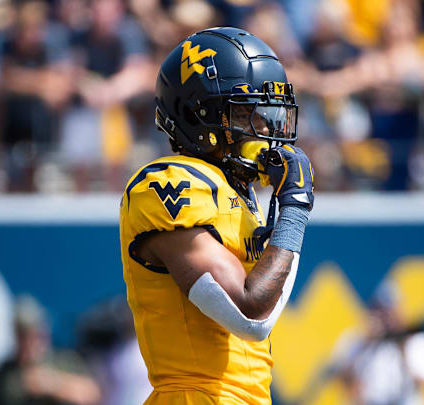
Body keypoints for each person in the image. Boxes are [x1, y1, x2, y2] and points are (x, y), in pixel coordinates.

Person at [119, 27, 314, 404]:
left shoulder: (237, 196)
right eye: (246, 114)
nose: (265, 129)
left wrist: (293, 213)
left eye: (267, 115)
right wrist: (294, 211)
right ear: (198, 116)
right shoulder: (168, 183)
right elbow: (251, 312)